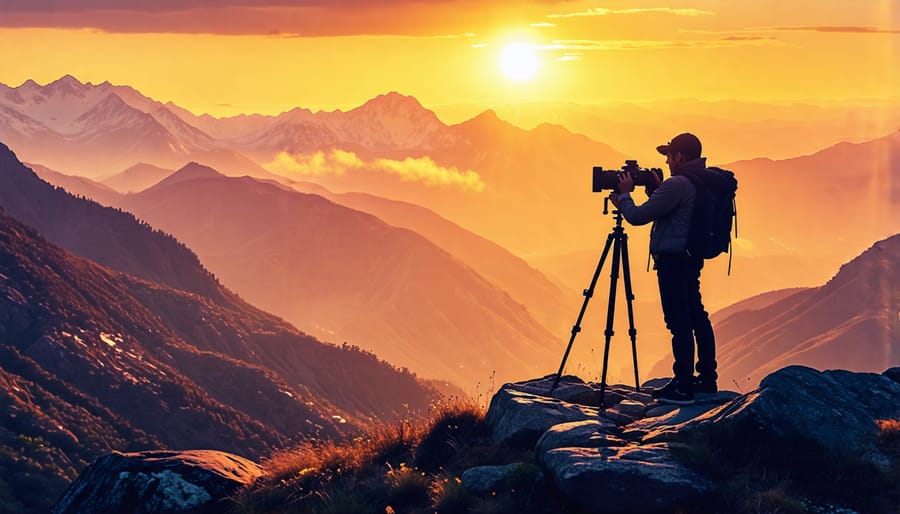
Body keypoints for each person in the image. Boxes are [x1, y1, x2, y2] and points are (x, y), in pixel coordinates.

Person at [608, 132, 717, 405]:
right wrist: (655, 191)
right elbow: (675, 211)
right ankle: (706, 379)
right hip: (690, 258)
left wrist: (624, 197)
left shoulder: (678, 184)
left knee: (678, 322)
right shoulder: (698, 179)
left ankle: (682, 386)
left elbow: (637, 216)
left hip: (673, 260)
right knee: (696, 315)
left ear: (679, 156)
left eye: (669, 155)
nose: (667, 161)